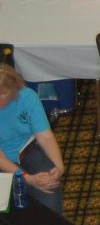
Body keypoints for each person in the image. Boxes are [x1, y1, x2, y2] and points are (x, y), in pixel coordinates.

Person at [0, 64, 65, 214]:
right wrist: (27, 178)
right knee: (12, 206)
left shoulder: (27, 97)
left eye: (2, 96)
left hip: (27, 149)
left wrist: (59, 166)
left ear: (14, 91)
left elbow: (45, 136)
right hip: (3, 160)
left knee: (50, 189)